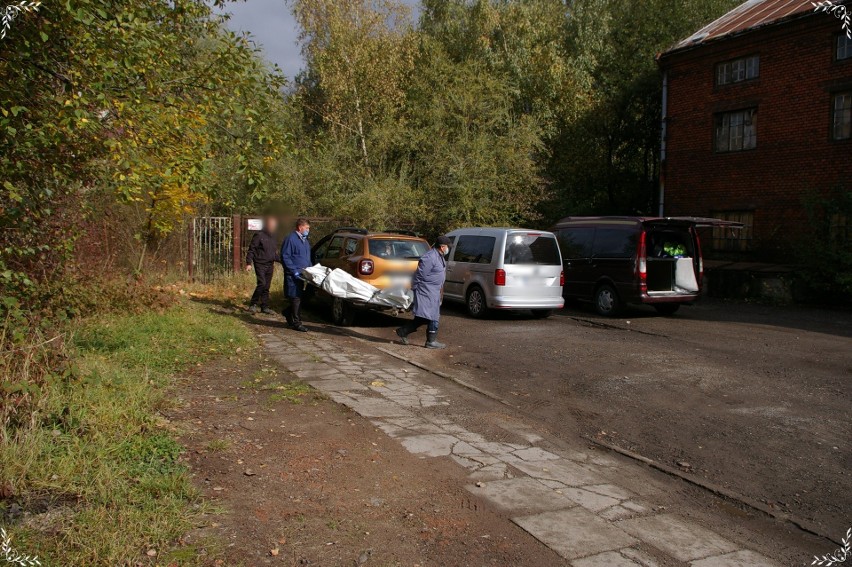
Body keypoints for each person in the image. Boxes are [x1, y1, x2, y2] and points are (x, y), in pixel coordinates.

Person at [395, 235, 451, 349]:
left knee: (425, 316)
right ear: (442, 247)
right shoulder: (430, 257)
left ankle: (403, 331)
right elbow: (419, 274)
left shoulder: (439, 256)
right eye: (447, 246)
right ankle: (431, 341)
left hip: (433, 291)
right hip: (426, 290)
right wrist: (414, 288)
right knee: (432, 316)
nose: (448, 249)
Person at [280, 218, 312, 332]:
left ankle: (288, 313)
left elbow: (307, 258)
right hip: (293, 275)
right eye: (307, 228)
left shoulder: (305, 240)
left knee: (303, 297)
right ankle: (296, 323)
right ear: (300, 227)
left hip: (303, 274)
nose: (308, 230)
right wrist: (294, 270)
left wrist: (311, 270)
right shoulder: (291, 239)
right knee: (295, 298)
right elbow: (285, 256)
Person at [245, 216, 279, 315]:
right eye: (272, 225)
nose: (274, 226)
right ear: (268, 224)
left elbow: (274, 253)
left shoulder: (273, 236)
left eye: (275, 225)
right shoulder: (259, 235)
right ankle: (253, 304)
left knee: (267, 286)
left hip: (270, 264)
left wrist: (283, 261)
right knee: (262, 283)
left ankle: (264, 306)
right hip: (260, 264)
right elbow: (252, 249)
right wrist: (248, 263)